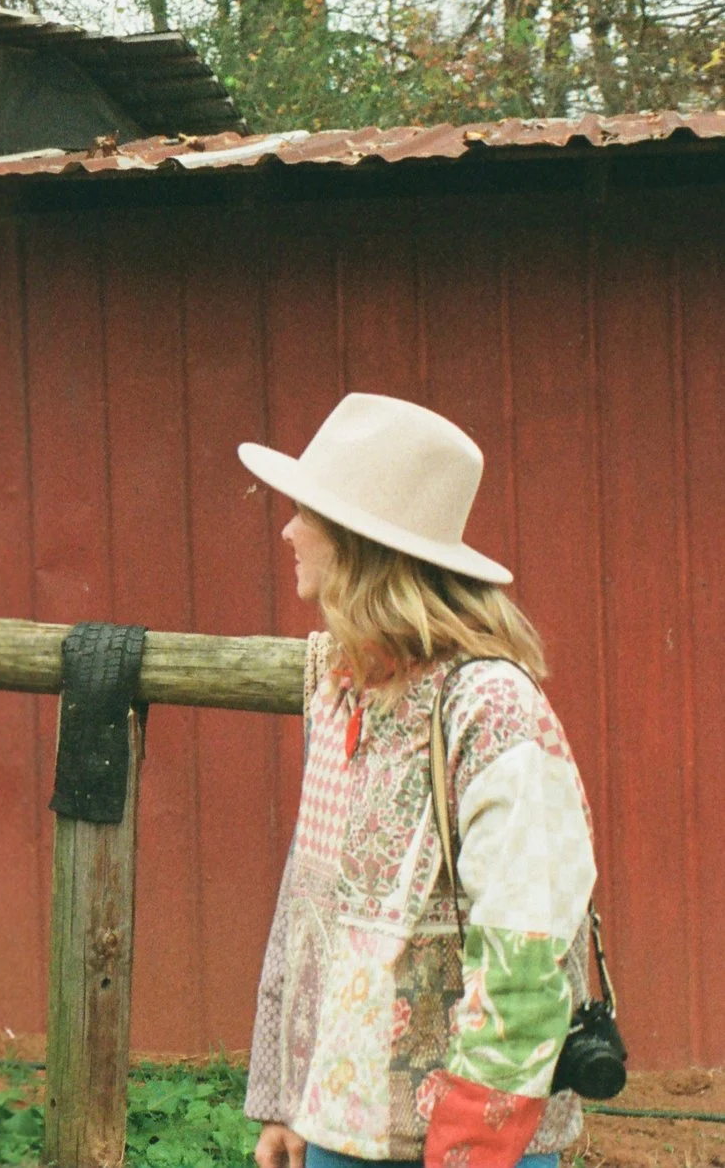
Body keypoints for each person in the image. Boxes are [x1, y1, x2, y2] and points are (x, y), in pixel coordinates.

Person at [241, 393, 597, 1168]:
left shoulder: (491, 708)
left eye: (307, 513)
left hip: (469, 1148)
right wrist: (296, 1104)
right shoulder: (346, 685)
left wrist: (471, 1145)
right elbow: (324, 914)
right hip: (344, 1133)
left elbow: (527, 941)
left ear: (362, 544)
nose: (288, 529)